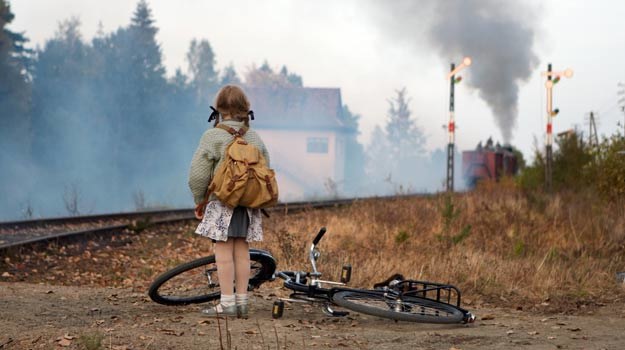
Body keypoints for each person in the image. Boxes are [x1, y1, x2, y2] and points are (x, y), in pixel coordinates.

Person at [188, 85, 270, 318]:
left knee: (222, 250)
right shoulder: (254, 137)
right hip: (247, 203)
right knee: (242, 249)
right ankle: (242, 302)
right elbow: (266, 169)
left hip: (221, 201)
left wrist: (199, 199)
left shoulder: (212, 136)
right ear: (245, 109)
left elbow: (198, 174)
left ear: (219, 109)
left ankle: (226, 302)